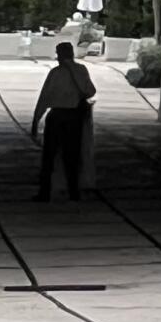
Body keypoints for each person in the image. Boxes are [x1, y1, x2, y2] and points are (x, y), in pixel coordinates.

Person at [30, 41, 97, 202]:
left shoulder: (55, 73)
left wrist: (35, 121)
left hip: (56, 116)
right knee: (72, 155)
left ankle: (45, 192)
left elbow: (44, 98)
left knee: (49, 156)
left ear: (59, 55)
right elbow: (91, 91)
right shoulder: (81, 70)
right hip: (74, 118)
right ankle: (74, 191)